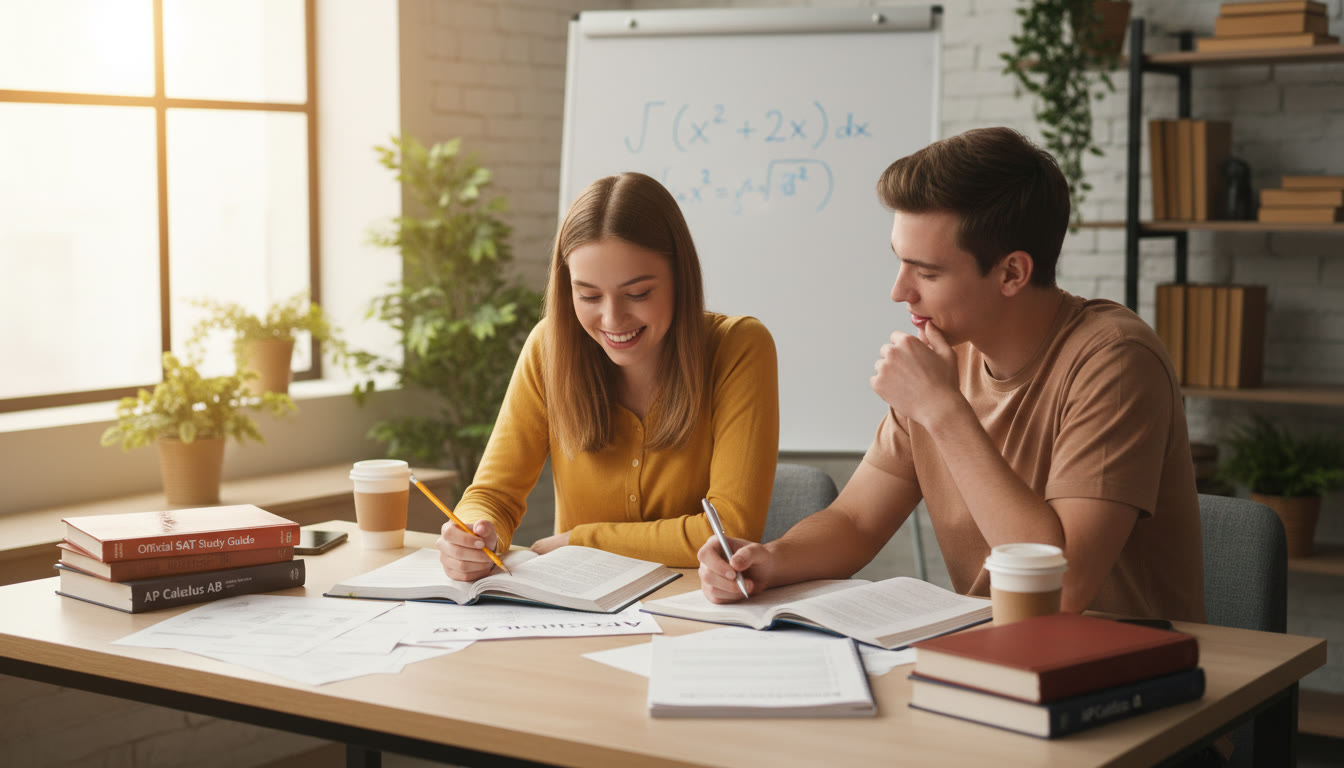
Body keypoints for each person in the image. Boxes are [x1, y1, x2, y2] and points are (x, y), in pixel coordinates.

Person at [698, 127, 1206, 622]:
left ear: (1012, 273)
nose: (900, 292)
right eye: (900, 263)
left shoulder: (1115, 361)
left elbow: (1063, 586)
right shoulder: (947, 355)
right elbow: (854, 522)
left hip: (1127, 668)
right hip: (1000, 654)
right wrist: (769, 560)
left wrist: (941, 408)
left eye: (928, 272)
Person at [437, 171, 780, 580]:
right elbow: (493, 496)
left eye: (638, 294)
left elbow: (728, 532)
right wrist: (475, 533)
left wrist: (580, 542)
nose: (613, 319)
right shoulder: (549, 347)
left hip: (694, 614)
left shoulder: (738, 347)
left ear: (679, 279)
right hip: (578, 614)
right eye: (589, 296)